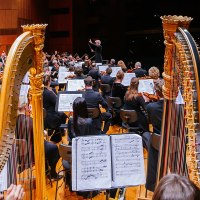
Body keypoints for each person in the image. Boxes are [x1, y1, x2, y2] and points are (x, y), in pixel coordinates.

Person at [16, 96, 62, 181]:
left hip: (20, 154)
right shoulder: (30, 121)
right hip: (34, 151)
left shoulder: (14, 122)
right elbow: (41, 135)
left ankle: (46, 170)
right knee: (54, 148)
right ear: (26, 107)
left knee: (49, 147)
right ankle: (52, 174)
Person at [144, 79, 165, 191]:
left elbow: (149, 121)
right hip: (173, 143)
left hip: (157, 142)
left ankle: (152, 184)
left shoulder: (150, 107)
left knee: (147, 135)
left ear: (156, 93)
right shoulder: (178, 107)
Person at [43, 74, 67, 143]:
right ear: (49, 82)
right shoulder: (49, 93)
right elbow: (58, 103)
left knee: (63, 115)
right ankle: (56, 137)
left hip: (42, 117)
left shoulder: (39, 91)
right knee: (63, 115)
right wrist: (52, 93)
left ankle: (57, 132)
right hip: (50, 119)